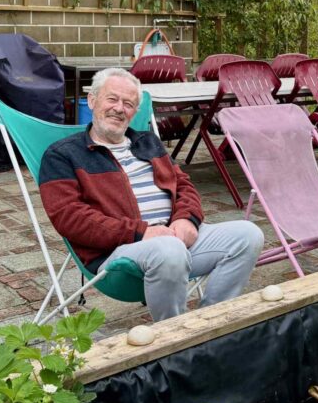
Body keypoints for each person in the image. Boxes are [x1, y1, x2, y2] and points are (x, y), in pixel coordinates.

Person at [39, 67, 263, 321]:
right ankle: (175, 338)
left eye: (128, 104)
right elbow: (70, 217)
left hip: (173, 237)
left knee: (248, 235)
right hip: (118, 253)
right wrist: (141, 232)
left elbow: (184, 186)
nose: (119, 108)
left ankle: (209, 324)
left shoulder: (148, 142)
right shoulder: (63, 155)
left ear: (135, 112)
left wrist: (186, 219)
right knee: (168, 250)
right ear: (92, 100)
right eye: (112, 99)